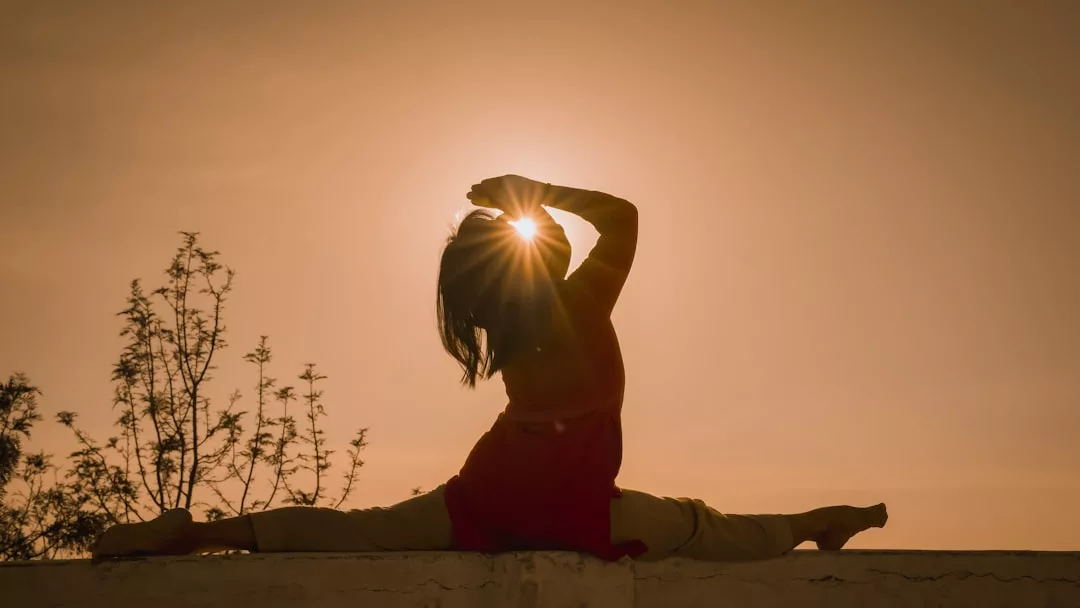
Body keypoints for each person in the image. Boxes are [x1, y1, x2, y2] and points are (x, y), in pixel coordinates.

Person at [92, 175, 887, 561]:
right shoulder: (580, 303)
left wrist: (514, 219)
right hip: (572, 506)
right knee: (704, 527)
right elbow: (624, 217)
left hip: (496, 488)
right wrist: (532, 189)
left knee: (361, 531)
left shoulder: (501, 327)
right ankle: (820, 521)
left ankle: (194, 535)